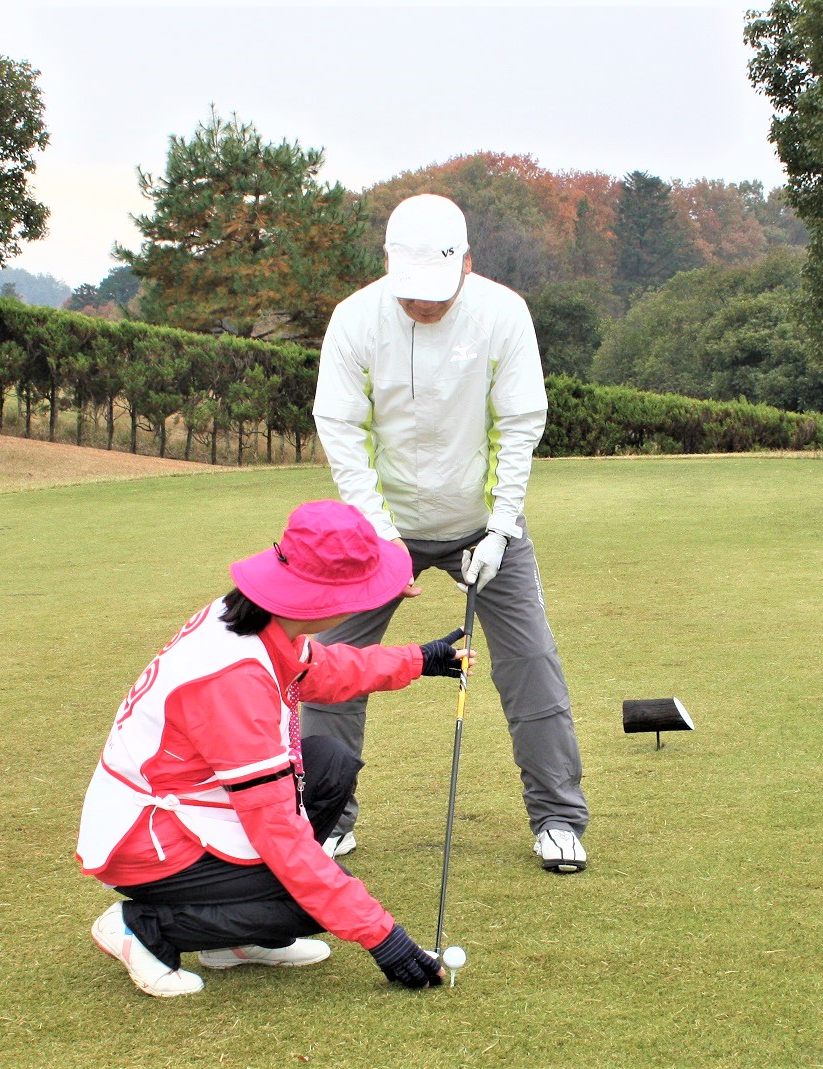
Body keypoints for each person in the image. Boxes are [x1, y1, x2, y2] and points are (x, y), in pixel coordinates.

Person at [77, 499, 472, 997]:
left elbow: (320, 670)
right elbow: (279, 834)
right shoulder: (234, 679)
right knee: (309, 898)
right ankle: (141, 926)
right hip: (147, 842)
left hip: (190, 805)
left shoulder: (255, 618)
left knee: (329, 764)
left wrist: (420, 660)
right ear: (329, 599)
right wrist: (383, 937)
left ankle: (237, 943)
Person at [304, 193, 589, 874]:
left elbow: (518, 423)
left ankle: (556, 818)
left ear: (466, 261)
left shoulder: (501, 313)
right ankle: (323, 817)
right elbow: (341, 429)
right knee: (325, 670)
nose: (421, 307)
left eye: (435, 293)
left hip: (483, 527)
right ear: (387, 265)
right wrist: (380, 536)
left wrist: (498, 529)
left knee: (531, 666)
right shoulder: (355, 319)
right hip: (378, 532)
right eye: (409, 294)